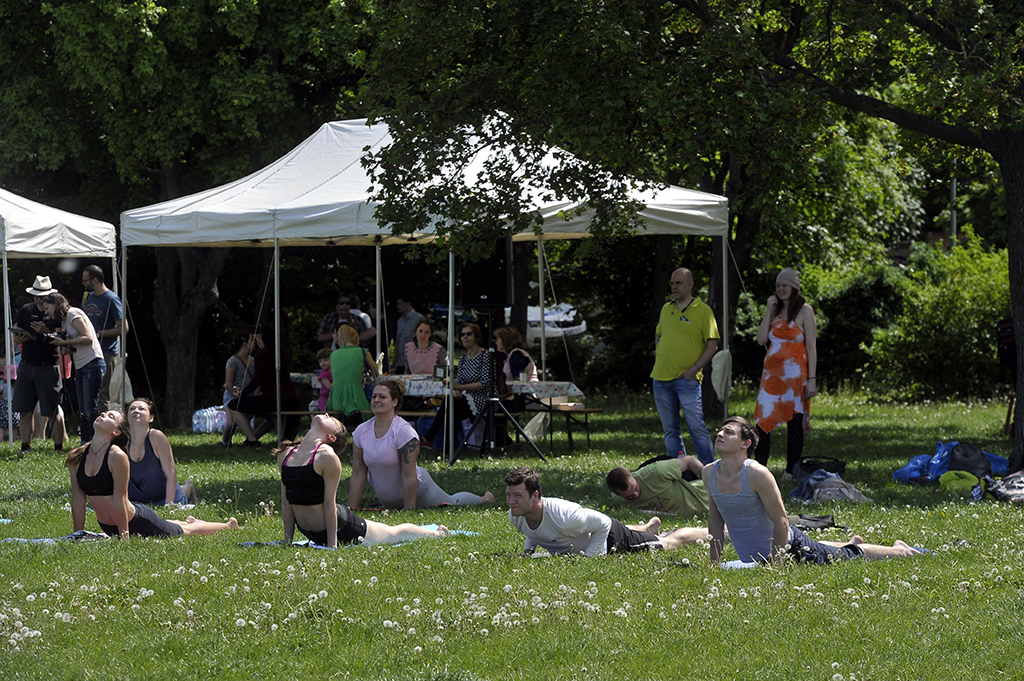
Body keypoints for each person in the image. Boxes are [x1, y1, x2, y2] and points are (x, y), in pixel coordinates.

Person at [703, 416, 920, 565]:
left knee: (845, 555)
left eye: (728, 432)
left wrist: (776, 566)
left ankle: (900, 550)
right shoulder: (709, 472)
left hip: (791, 549)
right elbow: (715, 520)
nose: (720, 434)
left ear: (745, 444)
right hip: (756, 559)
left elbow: (781, 521)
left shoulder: (756, 474)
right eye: (720, 430)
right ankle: (852, 542)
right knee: (822, 547)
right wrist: (714, 566)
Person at [278, 413, 450, 548]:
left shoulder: (326, 457)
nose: (327, 414)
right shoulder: (286, 454)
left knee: (393, 533)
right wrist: (287, 541)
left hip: (343, 527)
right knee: (390, 532)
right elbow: (286, 502)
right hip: (311, 532)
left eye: (333, 420)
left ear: (331, 437)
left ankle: (438, 534)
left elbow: (329, 505)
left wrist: (332, 546)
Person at [68, 410, 238, 539]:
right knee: (167, 524)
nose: (103, 414)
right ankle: (189, 520)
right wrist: (77, 535)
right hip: (108, 526)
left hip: (136, 521)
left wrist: (124, 538)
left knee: (184, 531)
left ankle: (228, 525)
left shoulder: (116, 456)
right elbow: (78, 500)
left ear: (116, 432)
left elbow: (120, 500)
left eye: (110, 416)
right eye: (104, 413)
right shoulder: (77, 456)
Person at [348, 380, 495, 509]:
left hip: (420, 491)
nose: (376, 400)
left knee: (452, 501)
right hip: (389, 501)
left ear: (394, 402)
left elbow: (408, 475)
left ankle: (485, 499)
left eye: (382, 396)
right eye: (374, 396)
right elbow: (358, 473)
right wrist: (350, 509)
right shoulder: (361, 431)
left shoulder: (404, 432)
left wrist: (408, 510)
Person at [505, 466, 707, 557]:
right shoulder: (517, 515)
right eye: (509, 495)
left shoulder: (565, 516)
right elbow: (534, 531)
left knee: (668, 543)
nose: (511, 502)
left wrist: (591, 559)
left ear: (535, 495)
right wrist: (528, 551)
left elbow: (603, 523)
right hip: (589, 534)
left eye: (517, 496)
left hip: (611, 537)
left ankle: (714, 531)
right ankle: (648, 527)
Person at [753, 268, 818, 479]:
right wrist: (768, 311)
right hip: (771, 376)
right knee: (762, 420)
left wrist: (812, 379)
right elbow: (761, 339)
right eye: (778, 285)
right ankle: (759, 469)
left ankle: (791, 471)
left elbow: (811, 346)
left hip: (795, 376)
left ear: (794, 288)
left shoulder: (805, 311)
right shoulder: (774, 311)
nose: (781, 289)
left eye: (785, 285)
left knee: (794, 421)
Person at [650, 267, 719, 464]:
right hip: (660, 378)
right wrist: (660, 353)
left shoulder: (704, 311)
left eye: (679, 283)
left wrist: (694, 370)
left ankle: (709, 470)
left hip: (687, 380)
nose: (674, 287)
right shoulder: (666, 308)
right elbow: (658, 333)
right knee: (670, 430)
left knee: (697, 428)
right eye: (672, 283)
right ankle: (679, 470)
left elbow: (712, 344)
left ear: (690, 284)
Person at [42, 292, 105, 444]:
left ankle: (95, 444)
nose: (46, 312)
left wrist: (63, 343)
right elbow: (78, 344)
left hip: (92, 363)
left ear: (56, 304)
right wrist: (67, 348)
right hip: (82, 365)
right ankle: (85, 444)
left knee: (89, 410)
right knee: (83, 411)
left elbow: (88, 338)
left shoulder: (73, 313)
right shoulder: (64, 321)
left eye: (47, 308)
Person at [11, 276, 64, 452]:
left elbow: (63, 336)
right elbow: (18, 330)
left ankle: (58, 448)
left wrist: (46, 331)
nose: (39, 301)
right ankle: (25, 447)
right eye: (36, 297)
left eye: (42, 297)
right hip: (26, 364)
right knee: (24, 409)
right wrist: (18, 338)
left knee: (51, 410)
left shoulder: (57, 312)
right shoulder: (26, 309)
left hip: (48, 365)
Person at [229, 328, 302, 443]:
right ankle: (273, 438)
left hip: (273, 399)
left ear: (262, 339)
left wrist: (242, 394)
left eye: (257, 337)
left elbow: (257, 380)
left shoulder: (262, 354)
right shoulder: (284, 352)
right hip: (291, 400)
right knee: (272, 414)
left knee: (233, 405)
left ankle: (252, 439)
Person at [125, 398, 196, 506]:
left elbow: (171, 474)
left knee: (179, 497)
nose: (136, 411)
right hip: (135, 500)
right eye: (132, 409)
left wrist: (169, 506)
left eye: (141, 409)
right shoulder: (123, 440)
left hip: (162, 497)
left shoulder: (156, 437)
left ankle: (188, 487)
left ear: (151, 418)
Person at [81, 265, 130, 411]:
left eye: (85, 280)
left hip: (106, 353)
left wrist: (98, 334)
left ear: (95, 280)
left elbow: (123, 328)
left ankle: (104, 422)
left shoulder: (111, 299)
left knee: (102, 393)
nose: (83, 284)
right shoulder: (88, 296)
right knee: (89, 392)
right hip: (89, 351)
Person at [606, 455, 709, 516]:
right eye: (630, 496)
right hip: (689, 514)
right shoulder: (618, 501)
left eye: (636, 488)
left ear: (631, 474)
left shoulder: (656, 471)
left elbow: (689, 461)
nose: (636, 494)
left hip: (705, 495)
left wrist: (710, 482)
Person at [326, 324, 377, 430]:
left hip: (335, 398)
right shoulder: (363, 352)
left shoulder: (333, 355)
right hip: (356, 398)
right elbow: (376, 373)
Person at [219, 331, 255, 448]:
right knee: (230, 422)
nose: (253, 343)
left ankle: (249, 439)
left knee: (234, 420)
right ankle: (225, 441)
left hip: (247, 396)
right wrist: (236, 395)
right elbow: (229, 384)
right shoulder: (232, 361)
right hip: (232, 396)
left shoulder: (253, 361)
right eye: (251, 340)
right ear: (244, 343)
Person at [393, 295, 421, 374]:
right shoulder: (400, 321)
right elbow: (398, 342)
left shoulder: (419, 319)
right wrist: (394, 362)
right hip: (401, 362)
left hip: (414, 363)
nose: (398, 306)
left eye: (400, 304)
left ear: (408, 304)